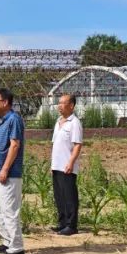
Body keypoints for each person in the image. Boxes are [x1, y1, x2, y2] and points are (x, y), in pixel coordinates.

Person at [0, 88, 25, 254]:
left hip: (8, 174)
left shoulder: (13, 119)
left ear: (5, 102)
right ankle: (7, 241)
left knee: (9, 210)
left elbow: (14, 145)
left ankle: (17, 248)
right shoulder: (0, 121)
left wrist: (5, 168)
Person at [51, 93, 84, 236]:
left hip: (67, 166)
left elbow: (77, 145)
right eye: (59, 102)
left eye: (63, 103)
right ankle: (62, 223)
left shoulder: (74, 123)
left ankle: (72, 225)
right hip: (56, 165)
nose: (59, 105)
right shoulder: (58, 122)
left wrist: (70, 162)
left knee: (69, 195)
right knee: (59, 196)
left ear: (71, 105)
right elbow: (55, 144)